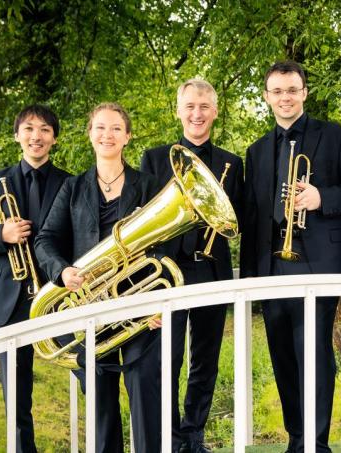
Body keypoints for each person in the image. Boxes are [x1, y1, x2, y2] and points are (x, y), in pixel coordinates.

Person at [239, 61, 341, 453]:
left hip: (319, 262)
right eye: (277, 91)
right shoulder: (257, 151)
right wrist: (250, 276)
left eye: (292, 90)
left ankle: (316, 442)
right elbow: (252, 214)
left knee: (313, 352)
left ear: (304, 93)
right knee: (281, 354)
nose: (285, 98)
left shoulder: (336, 136)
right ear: (267, 97)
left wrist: (321, 197)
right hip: (272, 264)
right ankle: (296, 438)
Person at [34, 103, 162, 453]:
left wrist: (160, 303)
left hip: (139, 307)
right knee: (100, 404)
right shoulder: (72, 188)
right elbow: (45, 240)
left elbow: (165, 245)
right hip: (88, 309)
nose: (108, 135)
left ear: (127, 136)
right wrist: (61, 271)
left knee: (146, 397)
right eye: (101, 128)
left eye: (116, 129)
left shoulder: (148, 185)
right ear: (90, 134)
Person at [140, 78, 244, 453]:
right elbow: (145, 222)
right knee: (167, 357)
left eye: (204, 106)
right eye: (190, 106)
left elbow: (239, 221)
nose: (196, 113)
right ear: (178, 110)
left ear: (215, 112)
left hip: (210, 270)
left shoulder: (233, 163)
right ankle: (168, 438)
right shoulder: (153, 159)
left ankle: (193, 436)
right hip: (166, 273)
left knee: (205, 360)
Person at [0, 104, 71, 453]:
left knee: (88, 368)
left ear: (54, 138)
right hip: (10, 300)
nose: (36, 136)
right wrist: (1, 234)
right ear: (17, 136)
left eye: (44, 129)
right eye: (28, 128)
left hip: (57, 296)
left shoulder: (69, 182)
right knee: (16, 391)